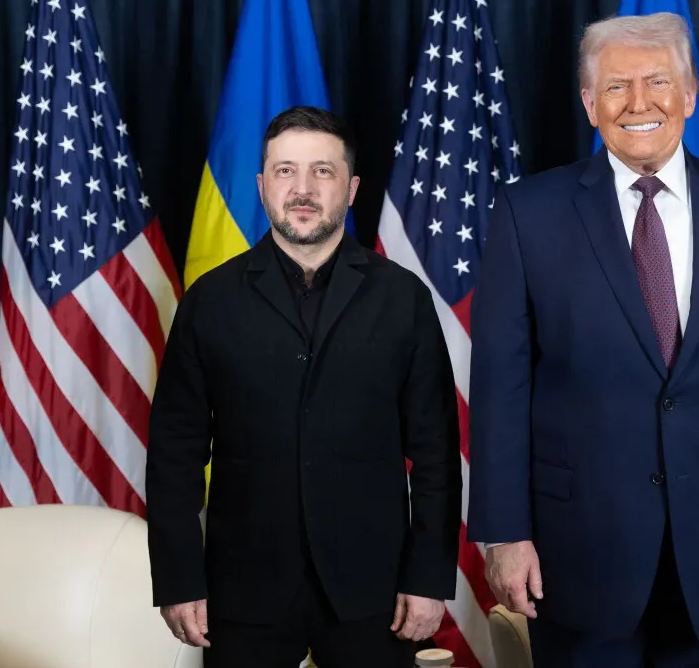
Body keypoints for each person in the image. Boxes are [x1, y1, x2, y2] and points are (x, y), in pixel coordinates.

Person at [466, 12, 699, 668]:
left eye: (658, 81)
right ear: (588, 102)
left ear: (689, 95)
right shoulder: (528, 215)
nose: (639, 102)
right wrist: (504, 533)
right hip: (576, 556)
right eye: (616, 86)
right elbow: (500, 386)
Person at [145, 106, 463, 668]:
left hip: (376, 590)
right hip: (241, 590)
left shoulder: (403, 298)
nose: (303, 188)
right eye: (286, 171)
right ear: (262, 185)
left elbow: (436, 453)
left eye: (323, 171)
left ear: (352, 185)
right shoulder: (209, 301)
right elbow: (174, 454)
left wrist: (430, 577)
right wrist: (177, 578)